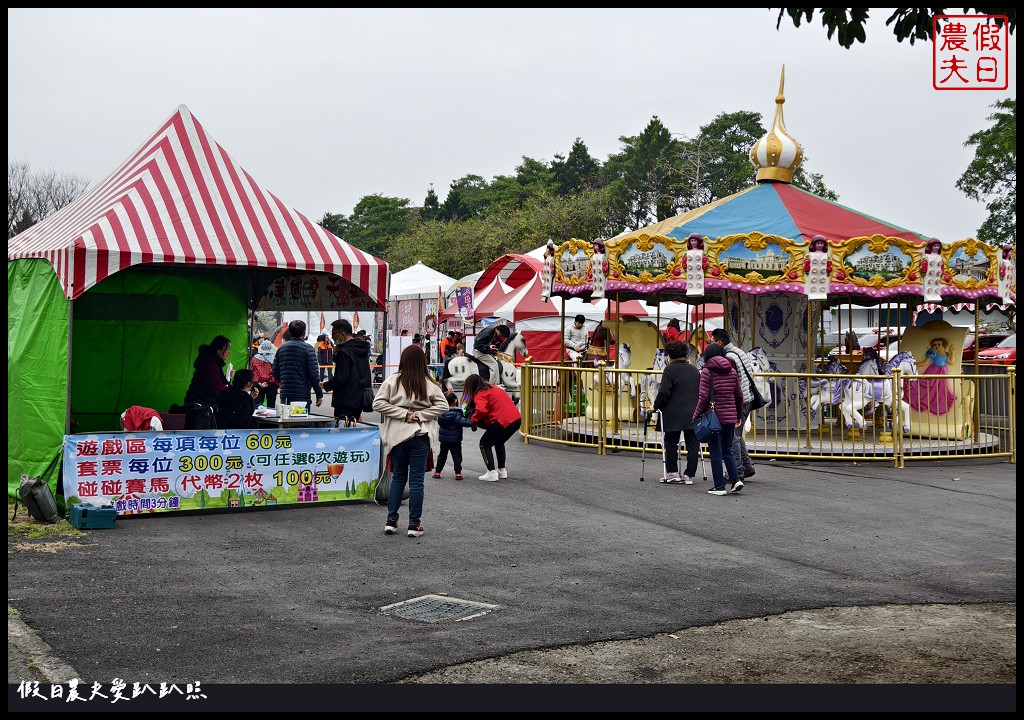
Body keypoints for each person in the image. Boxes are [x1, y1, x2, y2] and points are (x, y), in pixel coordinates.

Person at [372, 345, 448, 538]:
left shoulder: (393, 381)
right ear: (423, 362)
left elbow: (378, 403)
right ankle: (414, 525)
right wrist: (420, 415)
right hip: (420, 436)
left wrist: (404, 414)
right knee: (416, 482)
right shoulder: (429, 383)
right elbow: (443, 406)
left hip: (397, 436)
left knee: (398, 478)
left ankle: (391, 521)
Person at [693, 344, 744, 496]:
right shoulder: (732, 371)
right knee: (727, 449)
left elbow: (703, 397)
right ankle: (735, 480)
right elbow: (739, 395)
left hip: (714, 417)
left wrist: (695, 415)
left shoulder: (707, 372)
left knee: (716, 452)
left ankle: (719, 487)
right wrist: (738, 415)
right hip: (730, 417)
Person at [650, 341, 701, 484]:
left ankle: (673, 473)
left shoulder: (669, 370)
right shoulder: (694, 369)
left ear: (669, 355)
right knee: (692, 444)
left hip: (674, 412)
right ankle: (689, 474)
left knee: (671, 442)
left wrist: (655, 406)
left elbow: (664, 391)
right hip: (693, 411)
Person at [711, 328, 758, 480]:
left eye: (712, 342)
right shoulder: (739, 352)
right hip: (748, 397)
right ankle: (747, 464)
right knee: (737, 435)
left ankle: (736, 471)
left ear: (719, 342)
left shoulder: (728, 359)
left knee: (733, 438)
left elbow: (730, 383)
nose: (710, 345)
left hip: (739, 400)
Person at [463, 374, 521, 482]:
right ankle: (502, 470)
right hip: (516, 419)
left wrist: (472, 421)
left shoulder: (480, 394)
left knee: (484, 444)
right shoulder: (493, 387)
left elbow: (481, 410)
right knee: (499, 442)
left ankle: (492, 472)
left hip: (502, 421)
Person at [323, 318, 371, 425]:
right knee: (354, 425)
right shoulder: (360, 347)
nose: (332, 337)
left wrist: (325, 385)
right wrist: (336, 355)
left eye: (334, 334)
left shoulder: (345, 352)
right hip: (358, 398)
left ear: (342, 334)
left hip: (345, 400)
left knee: (343, 430)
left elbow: (341, 378)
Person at [272, 319, 324, 411]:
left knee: (287, 421)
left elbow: (275, 372)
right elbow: (314, 375)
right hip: (302, 394)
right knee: (301, 422)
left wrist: (285, 381)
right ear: (304, 332)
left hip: (285, 394)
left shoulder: (281, 348)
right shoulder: (308, 349)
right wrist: (319, 394)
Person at [904, 337, 956, 415]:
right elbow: (925, 362)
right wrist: (913, 365)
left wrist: (953, 353)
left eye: (939, 344)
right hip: (933, 371)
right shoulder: (933, 353)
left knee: (940, 389)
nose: (937, 346)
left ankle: (938, 406)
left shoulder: (945, 355)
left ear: (944, 345)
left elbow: (951, 362)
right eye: (934, 345)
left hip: (942, 372)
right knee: (928, 386)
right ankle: (922, 401)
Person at [432, 391, 476, 481]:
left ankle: (437, 472)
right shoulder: (457, 414)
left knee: (442, 455)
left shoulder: (440, 413)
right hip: (455, 440)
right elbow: (465, 421)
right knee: (457, 456)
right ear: (455, 401)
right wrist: (472, 421)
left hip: (444, 439)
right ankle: (458, 473)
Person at [184, 335, 232, 407]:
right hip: (200, 406)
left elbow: (218, 384)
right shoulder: (209, 364)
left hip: (202, 404)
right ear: (218, 350)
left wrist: (228, 377)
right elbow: (217, 388)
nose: (229, 352)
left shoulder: (213, 362)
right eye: (228, 349)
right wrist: (227, 387)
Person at [250, 339, 280, 409]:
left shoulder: (255, 358)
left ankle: (258, 420)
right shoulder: (274, 359)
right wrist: (268, 382)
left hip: (258, 385)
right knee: (271, 406)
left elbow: (253, 372)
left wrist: (260, 383)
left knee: (257, 406)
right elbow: (276, 373)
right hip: (272, 385)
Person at [921, 238, 944, 303]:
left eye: (938, 246)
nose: (936, 247)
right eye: (935, 246)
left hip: (936, 282)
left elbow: (942, 268)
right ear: (930, 246)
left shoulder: (939, 257)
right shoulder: (926, 256)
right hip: (929, 281)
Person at [686, 233, 707, 297]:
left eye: (695, 241)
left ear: (698, 241)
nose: (693, 242)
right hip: (691, 276)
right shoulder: (688, 252)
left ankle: (698, 288)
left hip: (698, 276)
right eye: (691, 241)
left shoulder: (701, 252)